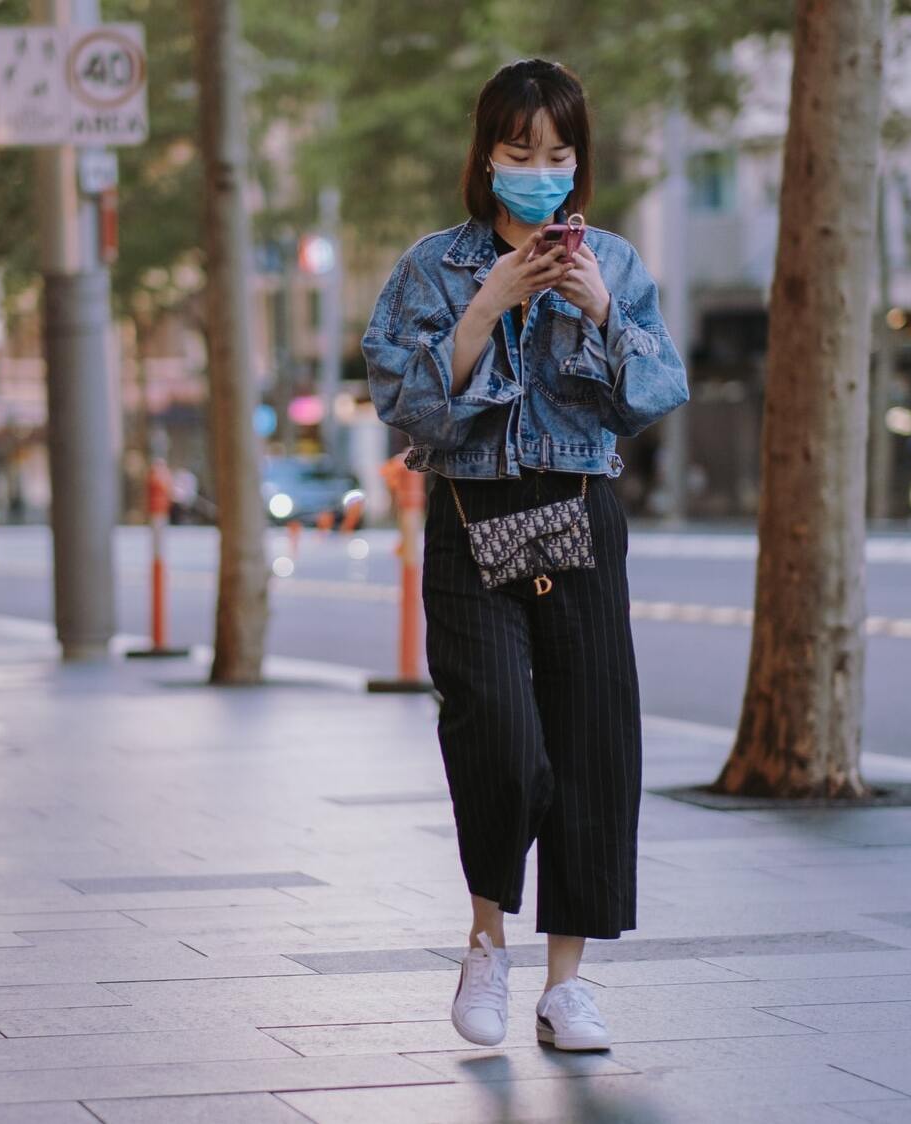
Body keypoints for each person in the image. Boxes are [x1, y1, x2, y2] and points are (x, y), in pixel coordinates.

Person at [363, 59, 687, 1052]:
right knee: (500, 734)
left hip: (582, 515)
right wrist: (484, 306)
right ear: (486, 158)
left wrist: (597, 310)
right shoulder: (430, 268)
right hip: (470, 519)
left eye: (557, 153)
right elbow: (402, 405)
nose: (540, 169)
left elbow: (655, 393)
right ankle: (484, 941)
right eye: (519, 152)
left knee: (592, 747)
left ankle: (566, 982)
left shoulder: (618, 265)